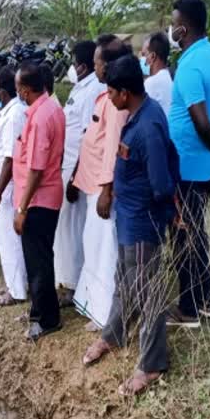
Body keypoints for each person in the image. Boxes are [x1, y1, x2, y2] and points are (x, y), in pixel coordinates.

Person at [81, 54, 178, 397]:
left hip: (142, 224)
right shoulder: (134, 116)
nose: (107, 97)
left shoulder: (149, 124)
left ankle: (151, 365)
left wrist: (168, 215)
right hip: (128, 220)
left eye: (110, 92)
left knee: (148, 293)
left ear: (124, 92)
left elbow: (162, 183)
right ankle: (114, 334)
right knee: (124, 281)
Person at [70, 36, 132, 331]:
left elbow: (112, 148)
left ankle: (105, 312)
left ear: (106, 65)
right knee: (92, 245)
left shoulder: (117, 103)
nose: (93, 66)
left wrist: (107, 190)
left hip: (103, 188)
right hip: (92, 183)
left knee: (105, 249)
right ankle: (94, 303)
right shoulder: (104, 96)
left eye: (96, 61)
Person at [166, 0, 210, 326]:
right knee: (197, 232)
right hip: (204, 166)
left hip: (190, 168)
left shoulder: (189, 66)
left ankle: (189, 307)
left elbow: (201, 123)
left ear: (183, 28)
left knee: (185, 235)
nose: (171, 28)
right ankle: (208, 298)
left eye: (173, 22)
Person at [12, 62, 66, 341]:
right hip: (43, 195)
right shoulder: (49, 108)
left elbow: (36, 167)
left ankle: (47, 320)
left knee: (38, 261)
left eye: (19, 85)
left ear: (25, 88)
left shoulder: (42, 116)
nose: (17, 90)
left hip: (39, 199)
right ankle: (40, 310)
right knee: (40, 258)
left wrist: (22, 207)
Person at [55, 41, 103, 307]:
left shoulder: (93, 89)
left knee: (73, 227)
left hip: (77, 169)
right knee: (67, 228)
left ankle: (74, 285)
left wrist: (74, 177)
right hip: (68, 166)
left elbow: (87, 136)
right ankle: (70, 283)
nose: (72, 67)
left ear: (82, 66)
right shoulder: (80, 87)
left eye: (74, 62)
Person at [0, 66, 28, 306]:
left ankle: (18, 290)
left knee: (10, 240)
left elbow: (10, 157)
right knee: (5, 240)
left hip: (8, 188)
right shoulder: (7, 112)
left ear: (2, 91)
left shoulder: (14, 115)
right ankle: (12, 283)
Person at [140, 32, 173, 116]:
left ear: (153, 56)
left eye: (144, 54)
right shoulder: (168, 77)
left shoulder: (152, 82)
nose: (142, 59)